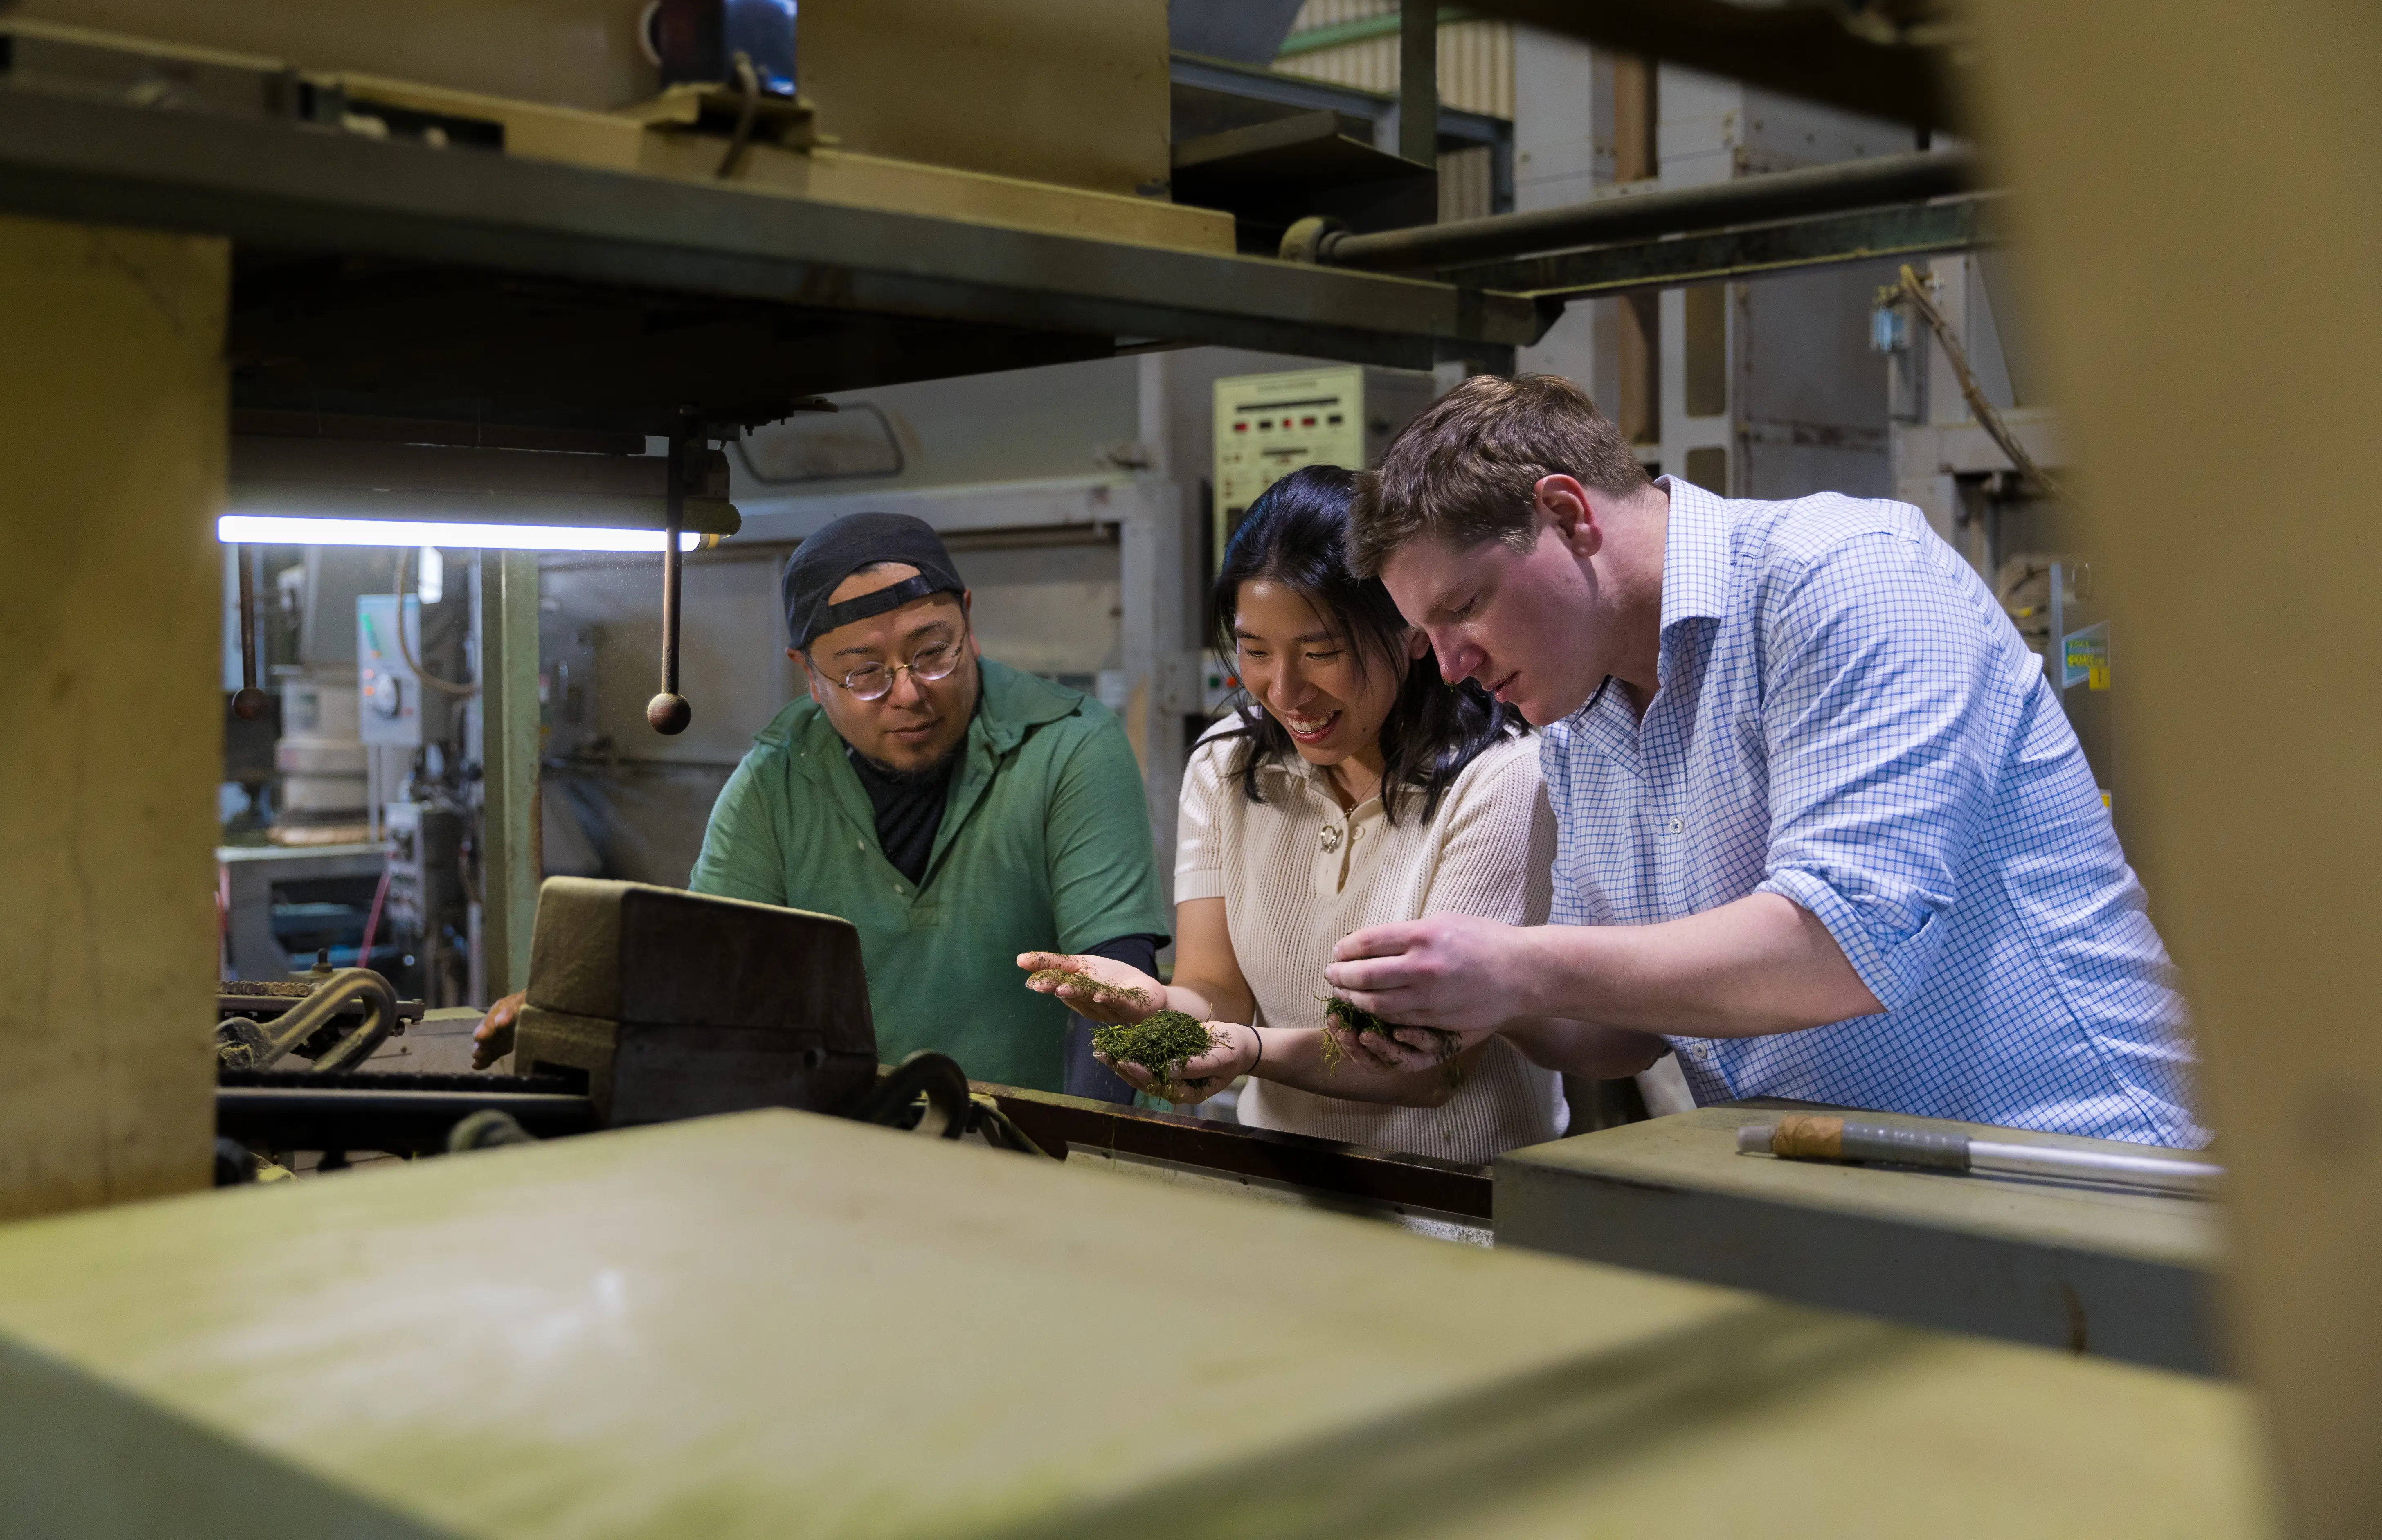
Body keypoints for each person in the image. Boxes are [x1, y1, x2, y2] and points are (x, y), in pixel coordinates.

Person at [1320, 373, 2204, 1147]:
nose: (1452, 666)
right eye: (1427, 636)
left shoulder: (1844, 578)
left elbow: (1837, 945)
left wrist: (1517, 964)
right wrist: (1479, 1006)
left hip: (2088, 1174)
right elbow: (1622, 1030)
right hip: (1853, 1200)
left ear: (1567, 514)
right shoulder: (1580, 714)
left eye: (1465, 607)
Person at [1021, 467, 1655, 1164]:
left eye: (1321, 653)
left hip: (1464, 1201)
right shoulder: (1226, 765)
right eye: (1254, 652)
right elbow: (1216, 996)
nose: (1284, 691)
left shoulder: (1503, 778)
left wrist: (1253, 1051)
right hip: (1283, 1186)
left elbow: (1433, 1066)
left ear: (1412, 631)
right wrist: (1157, 1009)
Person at [476, 512, 1167, 1097]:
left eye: (933, 653)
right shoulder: (778, 779)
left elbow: (1117, 993)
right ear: (808, 674)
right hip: (852, 1152)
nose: (907, 693)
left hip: (1038, 1156)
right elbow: (709, 965)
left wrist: (1090, 1161)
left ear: (969, 625)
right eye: (864, 672)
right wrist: (580, 1006)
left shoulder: (1068, 747)